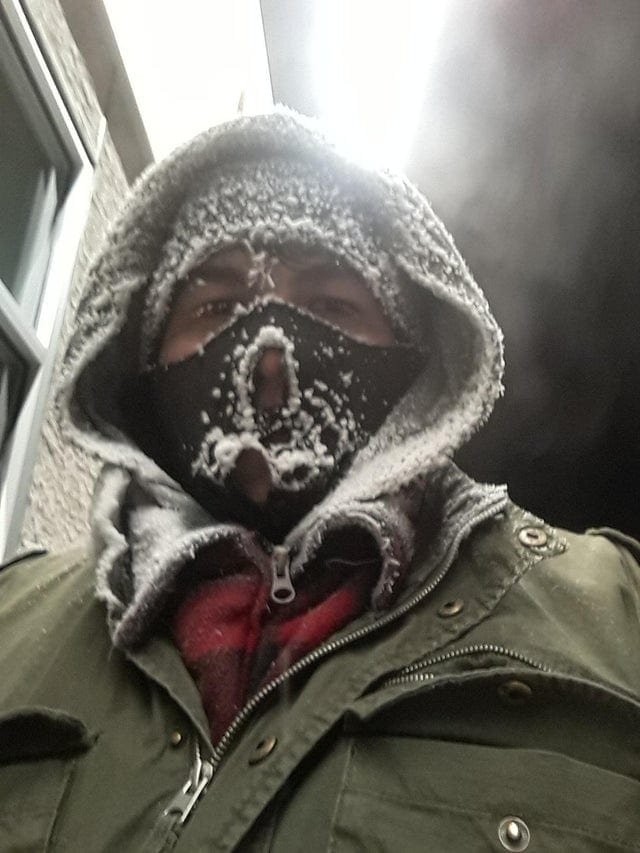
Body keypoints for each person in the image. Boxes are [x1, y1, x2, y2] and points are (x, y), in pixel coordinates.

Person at [0, 110, 638, 852]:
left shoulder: (615, 622)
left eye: (332, 304)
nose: (269, 357)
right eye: (216, 307)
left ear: (412, 359)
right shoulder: (11, 622)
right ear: (143, 363)